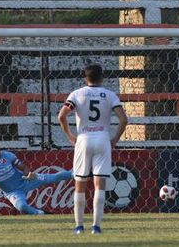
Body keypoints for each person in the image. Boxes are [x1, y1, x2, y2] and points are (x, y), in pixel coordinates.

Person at [58, 64, 128, 235]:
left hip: (83, 139)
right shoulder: (110, 95)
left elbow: (61, 116)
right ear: (102, 77)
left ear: (85, 78)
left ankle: (79, 227)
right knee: (100, 185)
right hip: (103, 139)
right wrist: (115, 140)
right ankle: (96, 227)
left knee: (80, 184)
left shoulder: (77, 94)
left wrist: (70, 136)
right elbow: (124, 119)